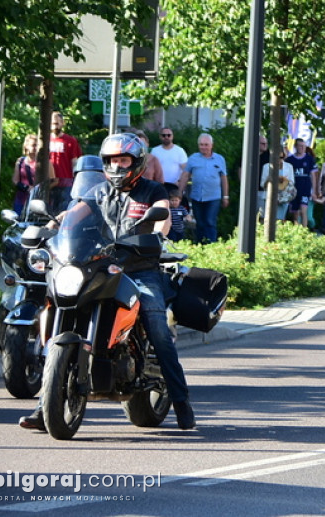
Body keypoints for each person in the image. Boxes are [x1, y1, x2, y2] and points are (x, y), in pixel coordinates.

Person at [20, 133, 196, 431]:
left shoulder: (152, 191)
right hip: (100, 266)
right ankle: (44, 406)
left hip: (140, 269)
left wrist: (156, 230)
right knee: (62, 306)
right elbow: (71, 215)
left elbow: (162, 220)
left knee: (156, 324)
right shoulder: (98, 192)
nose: (118, 166)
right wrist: (48, 229)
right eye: (113, 161)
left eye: (124, 160)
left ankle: (181, 401)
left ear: (136, 162)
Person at [178, 133, 229, 243]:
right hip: (197, 196)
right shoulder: (193, 158)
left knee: (210, 221)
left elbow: (224, 178)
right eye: (201, 144)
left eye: (206, 144)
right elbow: (185, 175)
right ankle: (200, 245)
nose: (203, 147)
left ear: (212, 145)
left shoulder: (220, 159)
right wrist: (180, 192)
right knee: (200, 223)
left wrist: (225, 196)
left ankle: (211, 246)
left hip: (213, 197)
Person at [48, 111, 82, 213]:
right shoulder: (45, 140)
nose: (55, 126)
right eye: (53, 123)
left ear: (62, 123)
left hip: (66, 182)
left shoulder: (70, 141)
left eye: (57, 123)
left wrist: (76, 180)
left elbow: (75, 162)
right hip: (49, 183)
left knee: (64, 212)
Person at [285, 138, 318, 227]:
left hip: (305, 189)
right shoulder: (290, 160)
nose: (303, 148)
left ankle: (304, 231)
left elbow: (313, 175)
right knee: (295, 213)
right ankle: (296, 231)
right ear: (296, 146)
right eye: (300, 146)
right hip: (294, 190)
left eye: (304, 146)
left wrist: (314, 191)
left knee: (304, 210)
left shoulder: (309, 159)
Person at [12, 134, 47, 215]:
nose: (35, 148)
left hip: (38, 199)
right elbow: (15, 180)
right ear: (27, 146)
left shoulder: (42, 162)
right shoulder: (20, 161)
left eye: (37, 145)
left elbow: (51, 180)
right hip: (22, 198)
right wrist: (26, 187)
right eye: (33, 145)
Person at [260, 149, 295, 223]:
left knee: (280, 220)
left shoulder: (289, 167)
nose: (279, 159)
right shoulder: (266, 167)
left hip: (283, 198)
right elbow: (262, 185)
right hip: (269, 197)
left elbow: (292, 183)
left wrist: (284, 180)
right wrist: (269, 179)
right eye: (277, 157)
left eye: (281, 157)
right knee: (267, 220)